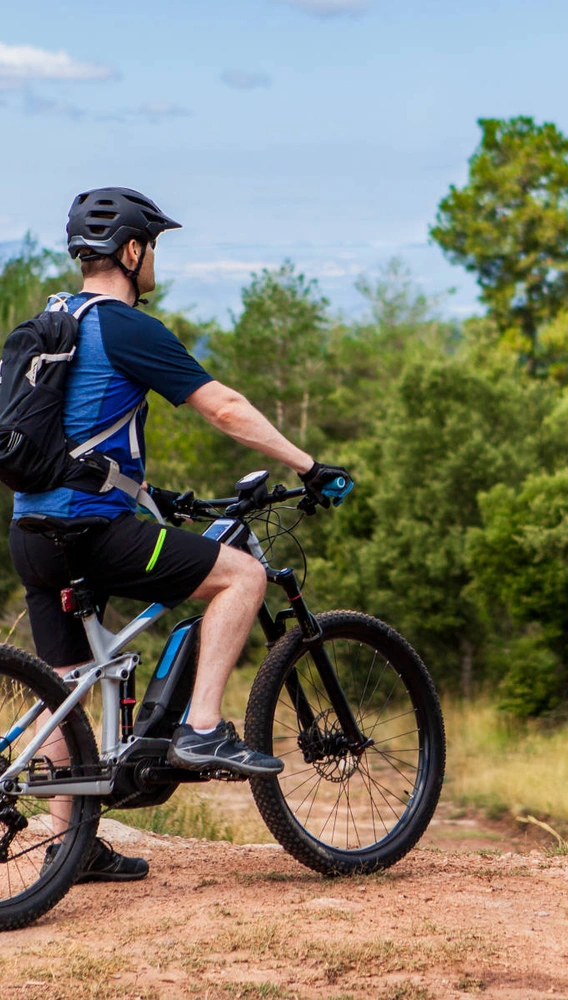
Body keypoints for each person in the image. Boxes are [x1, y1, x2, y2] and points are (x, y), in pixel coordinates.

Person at [9, 187, 348, 882]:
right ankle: (200, 729)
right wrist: (308, 466)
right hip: (91, 531)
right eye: (153, 247)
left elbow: (71, 437)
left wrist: (149, 494)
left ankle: (71, 846)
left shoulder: (52, 320)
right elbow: (222, 407)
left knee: (70, 686)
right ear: (132, 251)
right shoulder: (126, 326)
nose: (156, 260)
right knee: (242, 575)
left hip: (32, 533)